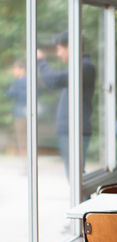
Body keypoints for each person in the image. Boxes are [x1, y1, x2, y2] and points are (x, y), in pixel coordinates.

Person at [37, 31, 96, 178]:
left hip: (75, 130)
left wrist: (40, 61)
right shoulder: (80, 67)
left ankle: (85, 202)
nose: (58, 54)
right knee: (76, 177)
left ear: (70, 47)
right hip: (71, 130)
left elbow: (53, 80)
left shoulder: (85, 67)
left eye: (59, 49)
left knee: (76, 178)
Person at [6, 60, 27, 157]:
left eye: (15, 68)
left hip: (22, 113)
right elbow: (8, 94)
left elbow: (13, 93)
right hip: (21, 113)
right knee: (22, 137)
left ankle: (26, 158)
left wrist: (14, 91)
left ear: (22, 69)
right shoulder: (17, 81)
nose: (13, 71)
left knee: (23, 137)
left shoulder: (23, 81)